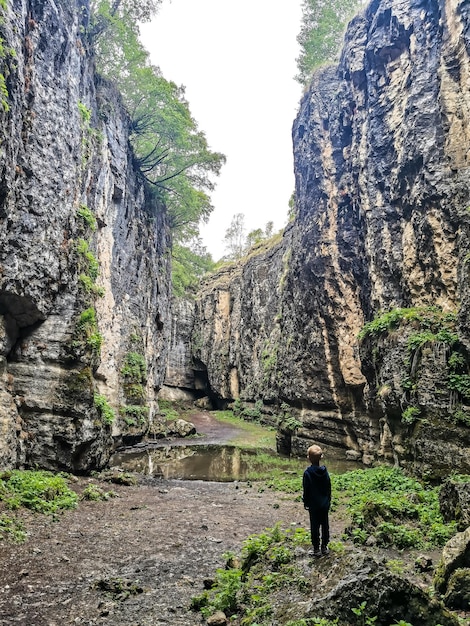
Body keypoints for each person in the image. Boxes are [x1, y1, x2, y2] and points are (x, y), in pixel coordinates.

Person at [302, 444, 331, 557]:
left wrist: (306, 502)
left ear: (308, 458)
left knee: (314, 526)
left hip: (313, 505)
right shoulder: (325, 472)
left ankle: (316, 549)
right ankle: (324, 547)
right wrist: (328, 500)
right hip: (324, 504)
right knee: (325, 525)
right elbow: (328, 487)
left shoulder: (307, 473)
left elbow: (306, 489)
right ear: (321, 457)